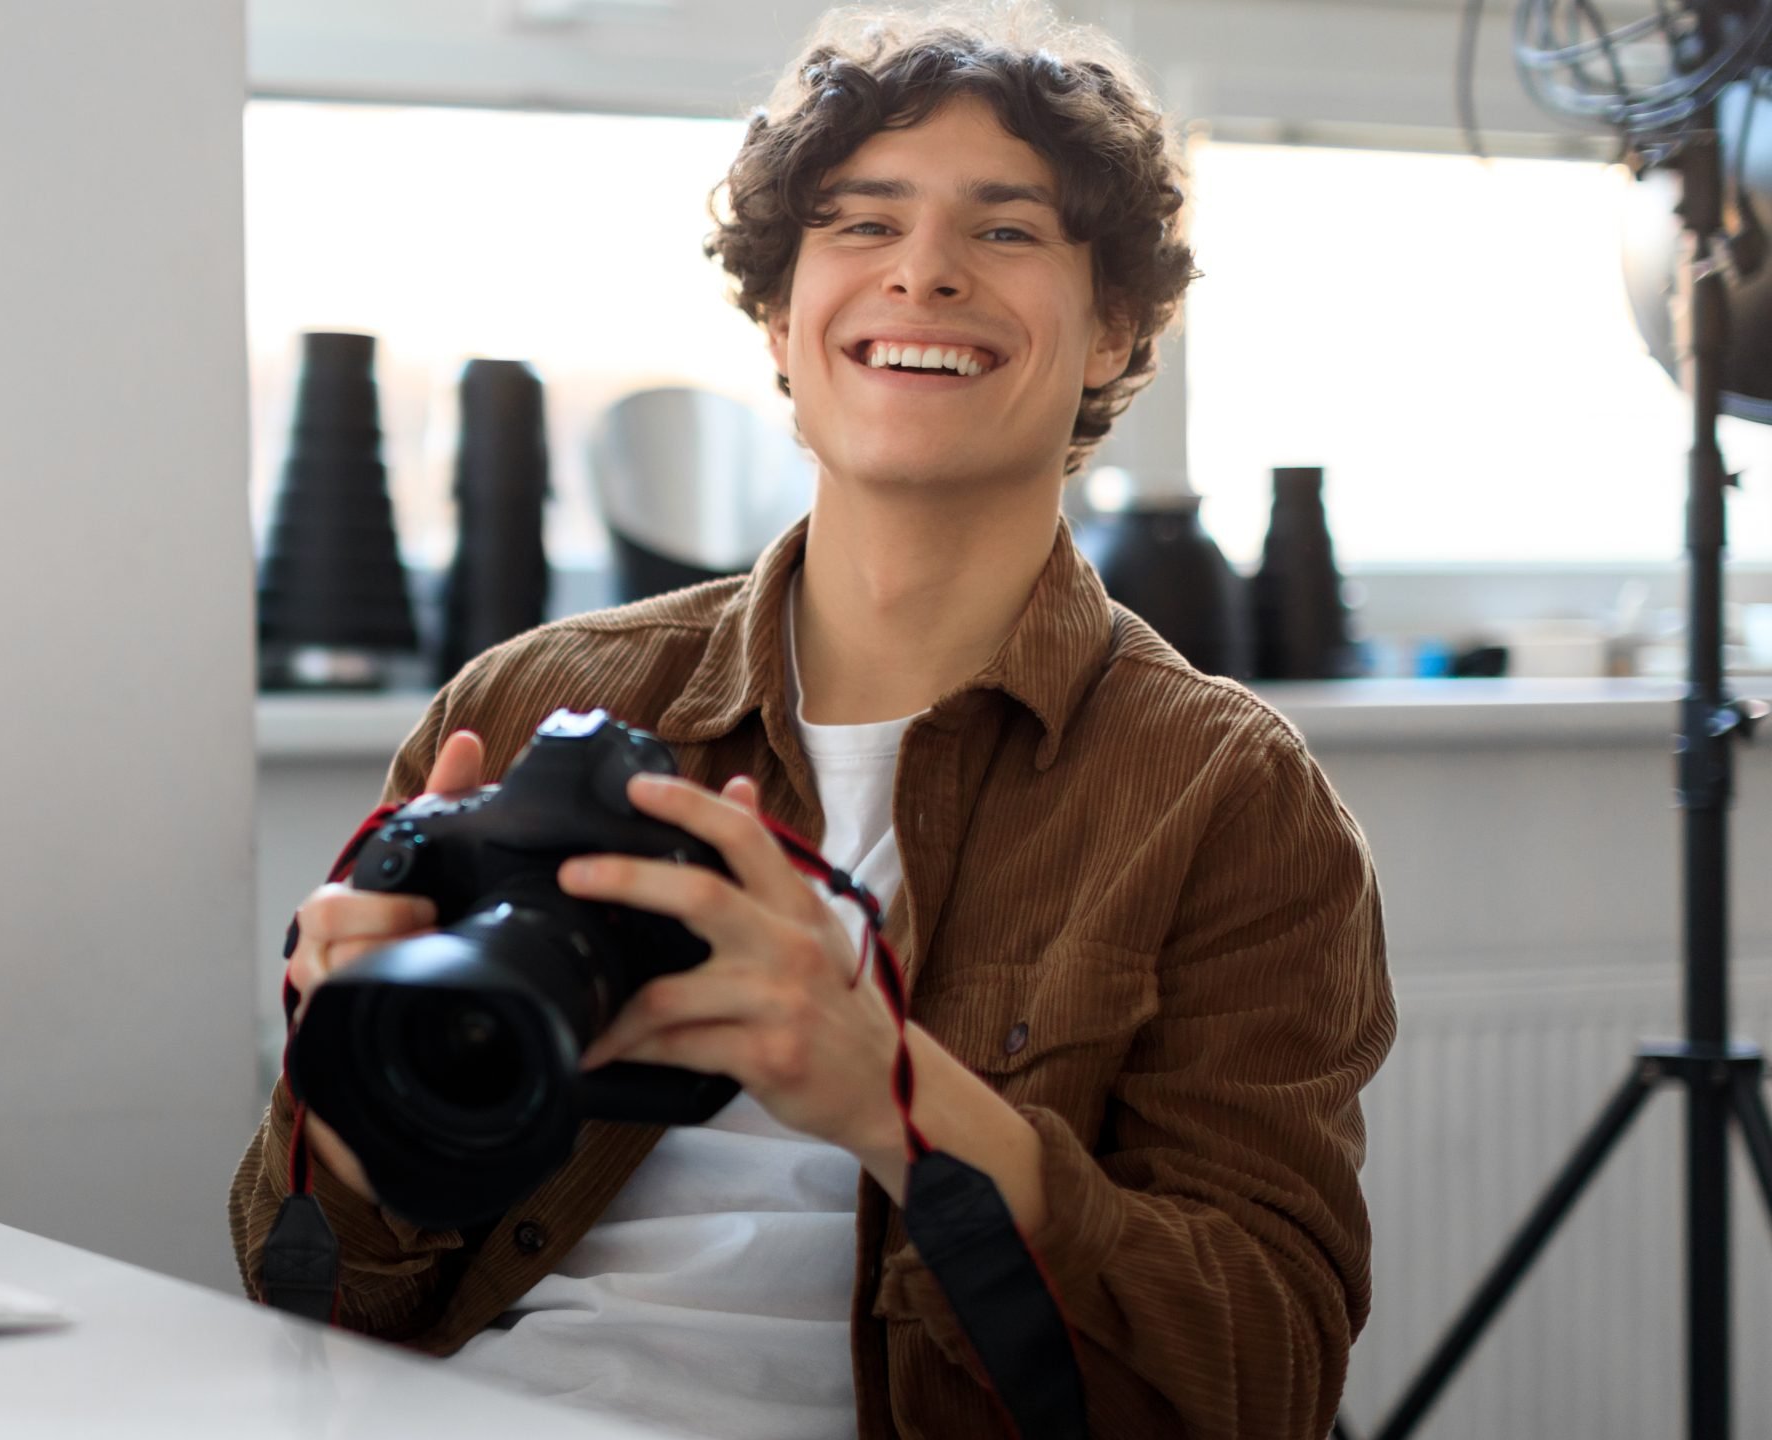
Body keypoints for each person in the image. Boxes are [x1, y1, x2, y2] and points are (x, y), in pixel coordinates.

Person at [230, 5, 1395, 1437]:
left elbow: (1264, 1374)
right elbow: (317, 1304)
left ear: (1117, 331)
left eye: (1008, 231)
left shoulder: (1227, 797)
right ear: (782, 317)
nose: (923, 271)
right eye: (861, 223)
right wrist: (351, 1104)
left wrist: (895, 1095)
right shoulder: (527, 706)